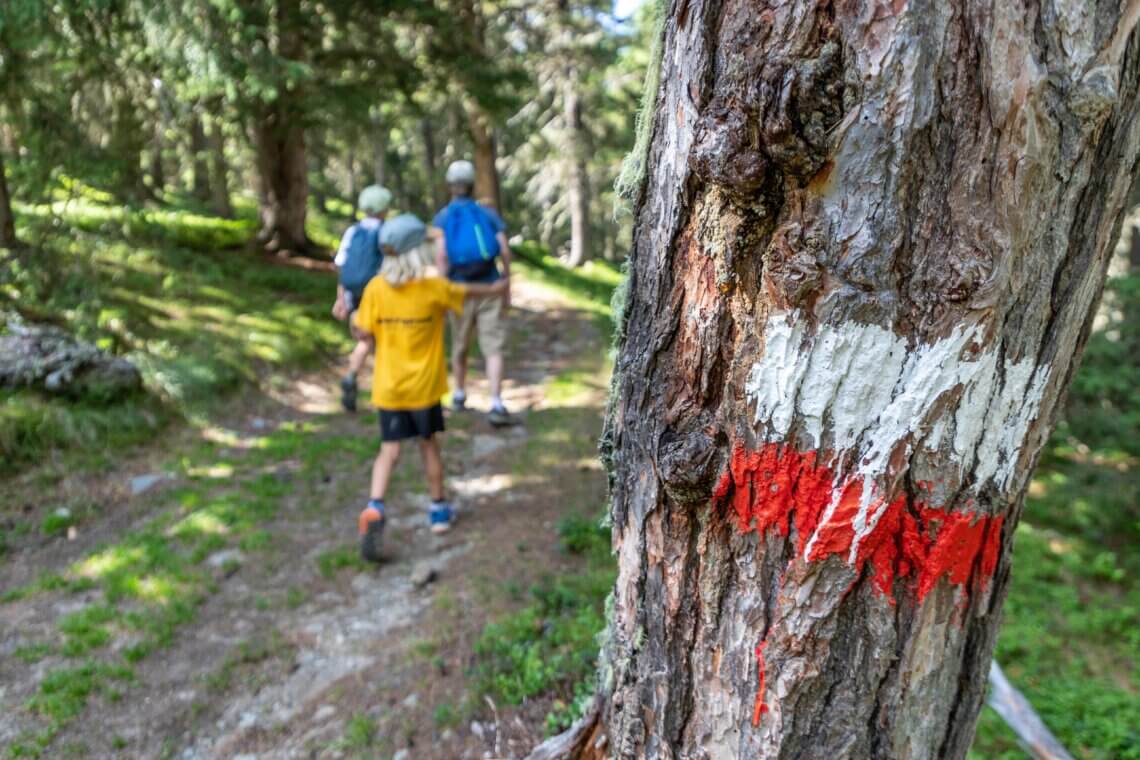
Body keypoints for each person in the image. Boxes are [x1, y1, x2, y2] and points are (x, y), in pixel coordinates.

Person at [353, 216, 508, 560]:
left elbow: (362, 332)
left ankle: (375, 506)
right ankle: (438, 512)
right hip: (424, 389)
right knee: (429, 447)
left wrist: (358, 326)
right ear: (417, 250)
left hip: (389, 389)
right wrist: (496, 289)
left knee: (388, 451)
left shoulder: (376, 288)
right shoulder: (432, 287)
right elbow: (466, 292)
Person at [432, 160, 513, 427]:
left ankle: (459, 393)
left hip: (459, 290)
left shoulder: (443, 217)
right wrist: (506, 280)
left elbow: (442, 256)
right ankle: (496, 401)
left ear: (450, 185)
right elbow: (503, 249)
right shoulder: (487, 214)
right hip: (490, 286)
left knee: (460, 343)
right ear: (471, 185)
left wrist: (442, 290)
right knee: (493, 346)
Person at [332, 185, 391, 412]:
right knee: (384, 342)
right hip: (380, 295)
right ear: (384, 208)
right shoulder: (386, 233)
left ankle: (351, 376)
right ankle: (384, 393)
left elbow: (342, 266)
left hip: (354, 295)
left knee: (364, 341)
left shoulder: (352, 231)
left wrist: (341, 299)